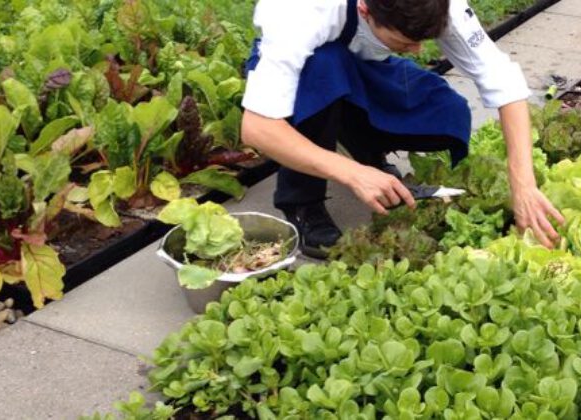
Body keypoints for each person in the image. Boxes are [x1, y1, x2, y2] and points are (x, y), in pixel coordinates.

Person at [240, 0, 564, 259]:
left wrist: (523, 183)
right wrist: (351, 173)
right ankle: (303, 202)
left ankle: (366, 153)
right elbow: (258, 128)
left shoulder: (441, 4)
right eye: (405, 43)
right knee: (327, 65)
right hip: (311, 72)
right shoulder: (299, 12)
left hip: (364, 65)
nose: (418, 52)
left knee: (447, 114)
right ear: (365, 10)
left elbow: (502, 78)